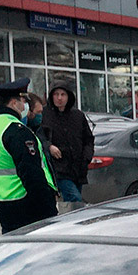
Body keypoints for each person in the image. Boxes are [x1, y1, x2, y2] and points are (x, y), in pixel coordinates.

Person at [0, 77, 59, 233]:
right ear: (13, 103)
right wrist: (47, 207)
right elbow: (31, 173)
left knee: (11, 244)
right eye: (23, 100)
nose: (25, 105)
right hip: (26, 200)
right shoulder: (16, 130)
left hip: (1, 198)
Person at [42, 79, 95, 210]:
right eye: (56, 94)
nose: (59, 98)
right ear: (51, 96)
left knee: (71, 204)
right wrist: (49, 146)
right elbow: (39, 136)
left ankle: (73, 225)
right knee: (74, 199)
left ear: (69, 96)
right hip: (59, 168)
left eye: (63, 94)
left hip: (78, 168)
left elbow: (88, 139)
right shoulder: (46, 114)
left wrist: (86, 158)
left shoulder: (77, 115)